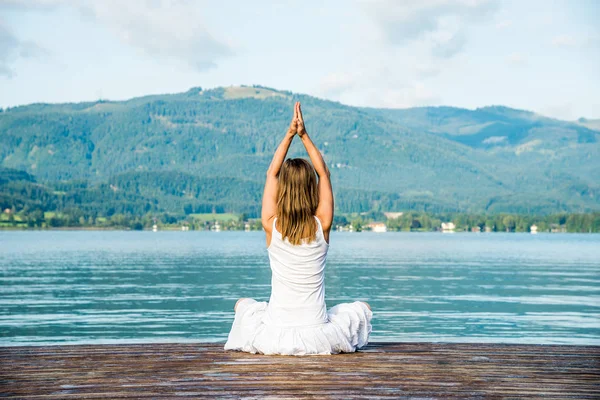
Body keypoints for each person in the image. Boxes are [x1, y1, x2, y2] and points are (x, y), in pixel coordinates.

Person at [224, 101, 372, 355]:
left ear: (283, 190)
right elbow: (324, 173)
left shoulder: (271, 225)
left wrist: (289, 134)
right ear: (309, 189)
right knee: (363, 309)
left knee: (243, 305)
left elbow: (272, 173)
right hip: (317, 332)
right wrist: (304, 135)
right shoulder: (321, 224)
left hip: (275, 333)